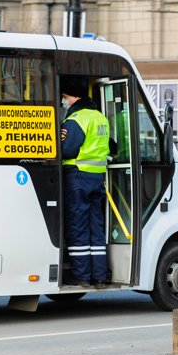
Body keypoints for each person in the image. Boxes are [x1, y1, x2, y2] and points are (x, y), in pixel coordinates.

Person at [60, 77, 110, 289]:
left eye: (66, 97)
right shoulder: (101, 118)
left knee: (78, 226)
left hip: (77, 176)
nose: (64, 101)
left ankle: (81, 275)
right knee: (95, 227)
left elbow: (66, 149)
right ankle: (99, 276)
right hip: (97, 177)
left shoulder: (76, 119)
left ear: (76, 97)